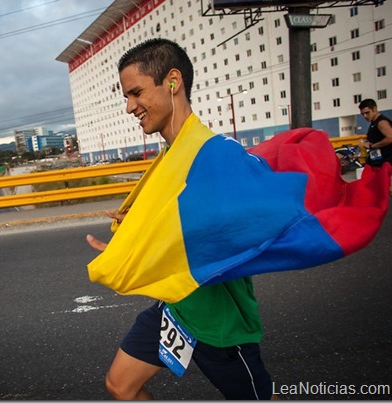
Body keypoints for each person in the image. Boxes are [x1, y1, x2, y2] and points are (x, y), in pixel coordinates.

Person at [85, 38, 274, 400]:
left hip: (219, 320)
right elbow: (181, 224)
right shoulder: (172, 156)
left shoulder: (214, 155)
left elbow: (240, 229)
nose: (129, 107)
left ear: (172, 82)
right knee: (120, 385)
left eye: (136, 93)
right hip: (179, 306)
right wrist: (138, 238)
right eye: (126, 96)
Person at [358, 98, 392, 189]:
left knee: (390, 190)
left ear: (375, 109)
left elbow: (391, 138)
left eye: (367, 113)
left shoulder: (381, 122)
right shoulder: (373, 123)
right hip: (377, 162)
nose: (365, 116)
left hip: (388, 162)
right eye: (362, 114)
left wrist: (372, 145)